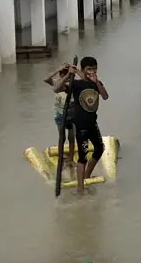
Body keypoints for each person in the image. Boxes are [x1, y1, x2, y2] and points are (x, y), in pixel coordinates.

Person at [54, 56, 109, 193]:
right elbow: (57, 88)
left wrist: (97, 82)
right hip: (81, 126)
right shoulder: (77, 85)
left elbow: (105, 96)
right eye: (89, 69)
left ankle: (87, 176)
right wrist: (68, 74)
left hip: (92, 123)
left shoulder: (97, 83)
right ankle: (80, 188)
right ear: (83, 70)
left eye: (94, 69)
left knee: (99, 148)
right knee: (82, 157)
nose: (92, 72)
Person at [44, 63, 75, 176]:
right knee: (62, 137)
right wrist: (58, 70)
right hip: (60, 115)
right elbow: (46, 79)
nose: (64, 75)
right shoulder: (58, 82)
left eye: (66, 74)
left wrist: (71, 74)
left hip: (72, 115)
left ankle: (71, 158)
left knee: (71, 137)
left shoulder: (72, 85)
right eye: (63, 73)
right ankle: (62, 157)